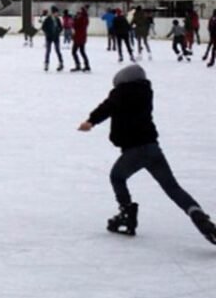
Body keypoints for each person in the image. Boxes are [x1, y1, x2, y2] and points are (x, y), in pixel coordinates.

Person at [78, 64, 215, 245]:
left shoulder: (121, 93)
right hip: (153, 148)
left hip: (135, 150)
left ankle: (127, 212)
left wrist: (91, 121)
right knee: (173, 187)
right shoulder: (145, 92)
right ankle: (196, 213)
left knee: (117, 177)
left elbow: (107, 107)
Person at [41, 7, 64, 72]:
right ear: (53, 13)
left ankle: (61, 63)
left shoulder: (58, 19)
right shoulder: (48, 19)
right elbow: (43, 27)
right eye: (56, 12)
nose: (57, 14)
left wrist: (58, 31)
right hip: (49, 37)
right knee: (48, 51)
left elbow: (61, 27)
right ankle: (46, 64)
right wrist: (48, 33)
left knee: (57, 50)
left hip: (56, 37)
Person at [70, 5, 91, 72]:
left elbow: (74, 25)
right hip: (83, 37)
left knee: (74, 52)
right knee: (82, 51)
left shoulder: (81, 19)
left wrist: (74, 19)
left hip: (78, 38)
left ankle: (78, 65)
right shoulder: (86, 18)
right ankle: (87, 65)